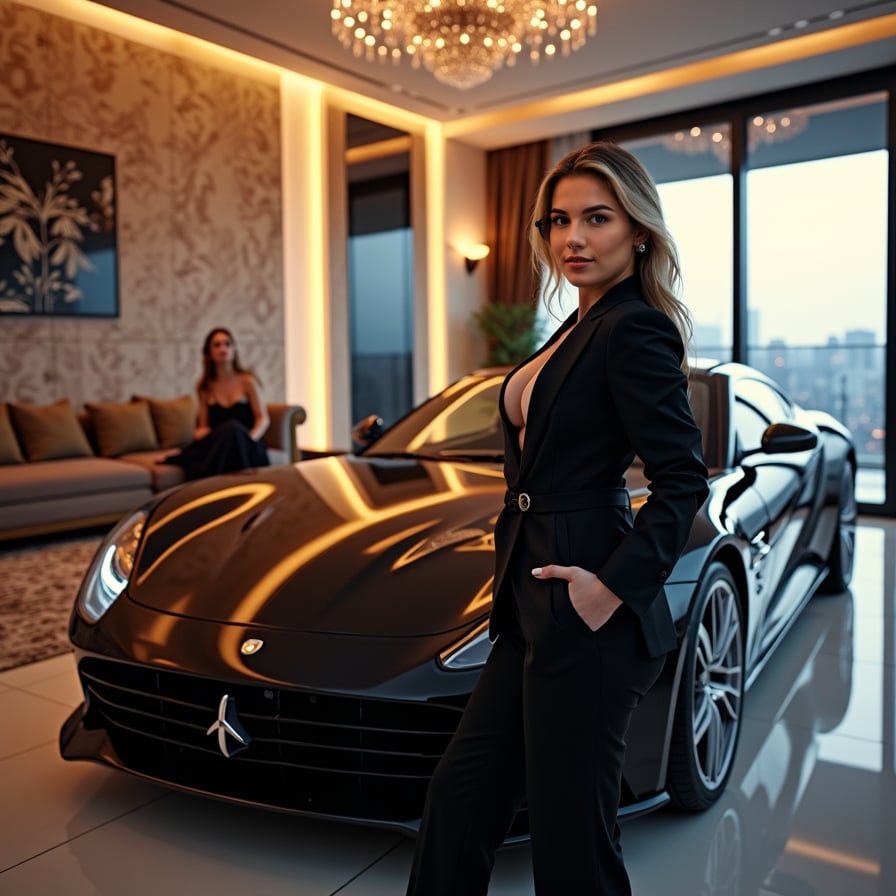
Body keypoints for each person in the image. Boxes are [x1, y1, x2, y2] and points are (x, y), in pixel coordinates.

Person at [406, 141, 710, 895]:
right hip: (526, 605)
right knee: (459, 798)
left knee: (571, 846)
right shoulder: (574, 327)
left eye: (597, 218)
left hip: (586, 608)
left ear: (638, 231)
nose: (573, 237)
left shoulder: (632, 327)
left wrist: (608, 588)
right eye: (559, 220)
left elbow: (681, 482)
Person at [166, 327, 270, 480]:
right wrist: (199, 432)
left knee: (234, 428)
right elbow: (204, 426)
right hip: (221, 443)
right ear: (208, 353)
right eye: (217, 345)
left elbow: (263, 418)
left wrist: (250, 439)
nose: (223, 348)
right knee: (228, 431)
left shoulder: (247, 381)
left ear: (234, 350)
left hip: (247, 442)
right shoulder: (205, 387)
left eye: (227, 344)